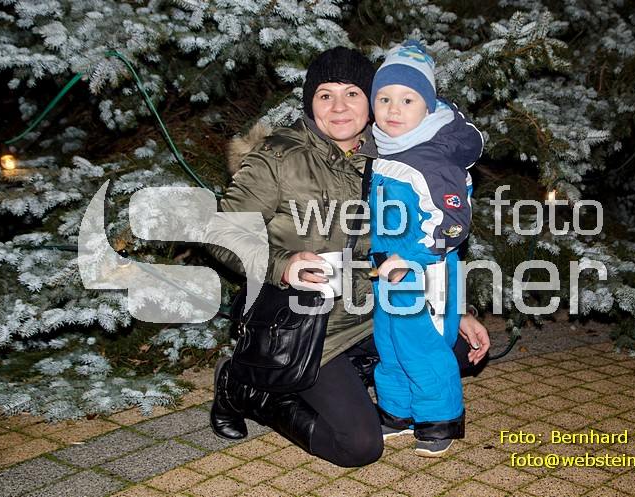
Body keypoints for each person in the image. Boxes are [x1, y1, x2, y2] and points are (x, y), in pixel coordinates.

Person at [206, 46, 490, 468]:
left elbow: (425, 238)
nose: (339, 108)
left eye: (352, 94)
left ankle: (353, 373)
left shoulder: (393, 151)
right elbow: (220, 233)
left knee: (458, 351)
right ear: (310, 103)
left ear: (371, 101)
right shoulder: (278, 158)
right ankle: (246, 389)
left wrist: (452, 310)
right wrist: (283, 265)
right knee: (358, 445)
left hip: (378, 310)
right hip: (311, 327)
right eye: (325, 95)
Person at [367, 40, 484, 457]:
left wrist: (413, 257)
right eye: (384, 98)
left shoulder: (432, 158)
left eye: (407, 99)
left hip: (424, 270)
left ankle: (439, 417)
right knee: (391, 342)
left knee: (423, 344)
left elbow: (453, 220)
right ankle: (398, 410)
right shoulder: (388, 148)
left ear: (428, 106)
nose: (393, 109)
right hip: (389, 272)